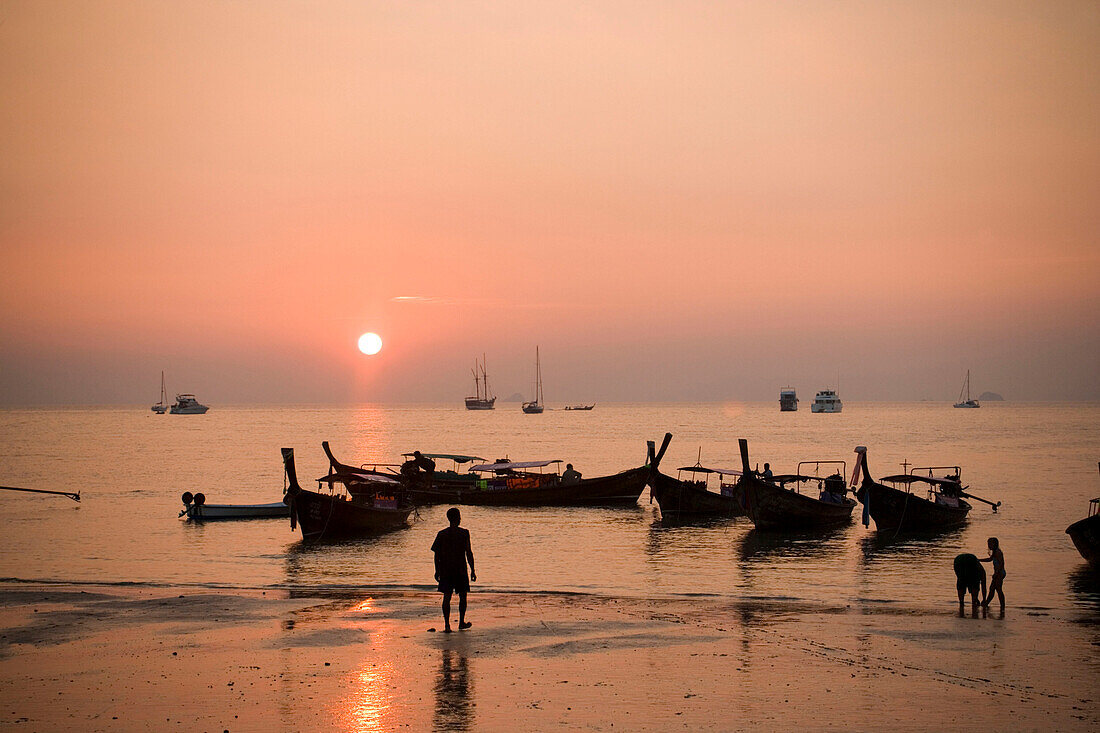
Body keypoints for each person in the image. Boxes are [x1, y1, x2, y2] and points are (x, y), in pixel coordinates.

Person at [431, 507, 476, 632]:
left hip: (446, 569)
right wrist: (473, 570)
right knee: (463, 596)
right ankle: (461, 622)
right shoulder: (464, 533)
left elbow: (436, 555)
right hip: (460, 569)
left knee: (447, 596)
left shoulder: (442, 534)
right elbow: (469, 553)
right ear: (458, 518)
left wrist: (437, 570)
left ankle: (447, 625)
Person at [979, 537, 1006, 610]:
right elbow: (990, 559)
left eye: (990, 544)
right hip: (998, 573)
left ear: (994, 544)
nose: (988, 546)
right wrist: (979, 560)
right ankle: (986, 603)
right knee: (992, 588)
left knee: (998, 589)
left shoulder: (998, 552)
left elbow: (1001, 564)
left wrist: (996, 573)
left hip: (1000, 573)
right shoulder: (995, 552)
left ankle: (1002, 605)